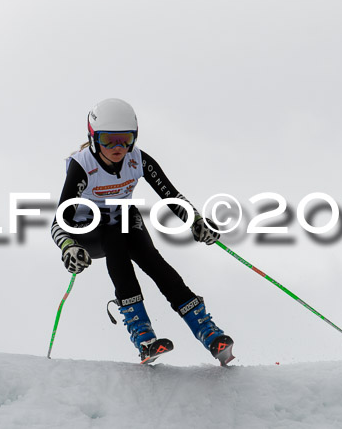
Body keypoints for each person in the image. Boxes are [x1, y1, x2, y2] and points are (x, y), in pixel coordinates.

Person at [51, 98, 234, 365]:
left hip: (123, 219)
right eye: (108, 140)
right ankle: (142, 333)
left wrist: (195, 220)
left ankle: (208, 332)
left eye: (125, 139)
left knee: (152, 259)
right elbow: (59, 221)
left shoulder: (137, 159)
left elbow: (171, 195)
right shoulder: (82, 165)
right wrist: (69, 248)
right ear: (93, 138)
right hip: (87, 232)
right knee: (113, 233)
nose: (118, 148)